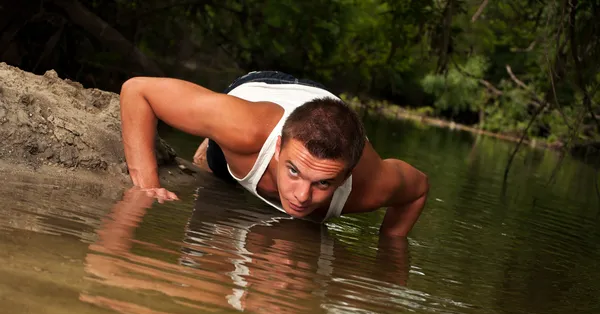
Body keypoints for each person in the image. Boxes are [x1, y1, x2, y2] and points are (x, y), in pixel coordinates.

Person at [119, 71, 429, 236]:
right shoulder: (244, 128)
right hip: (258, 93)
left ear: (346, 175)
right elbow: (137, 91)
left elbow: (418, 189)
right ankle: (212, 147)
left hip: (330, 109)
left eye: (322, 183)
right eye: (294, 171)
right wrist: (146, 187)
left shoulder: (370, 186)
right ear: (278, 148)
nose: (302, 196)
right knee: (218, 168)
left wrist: (391, 247)